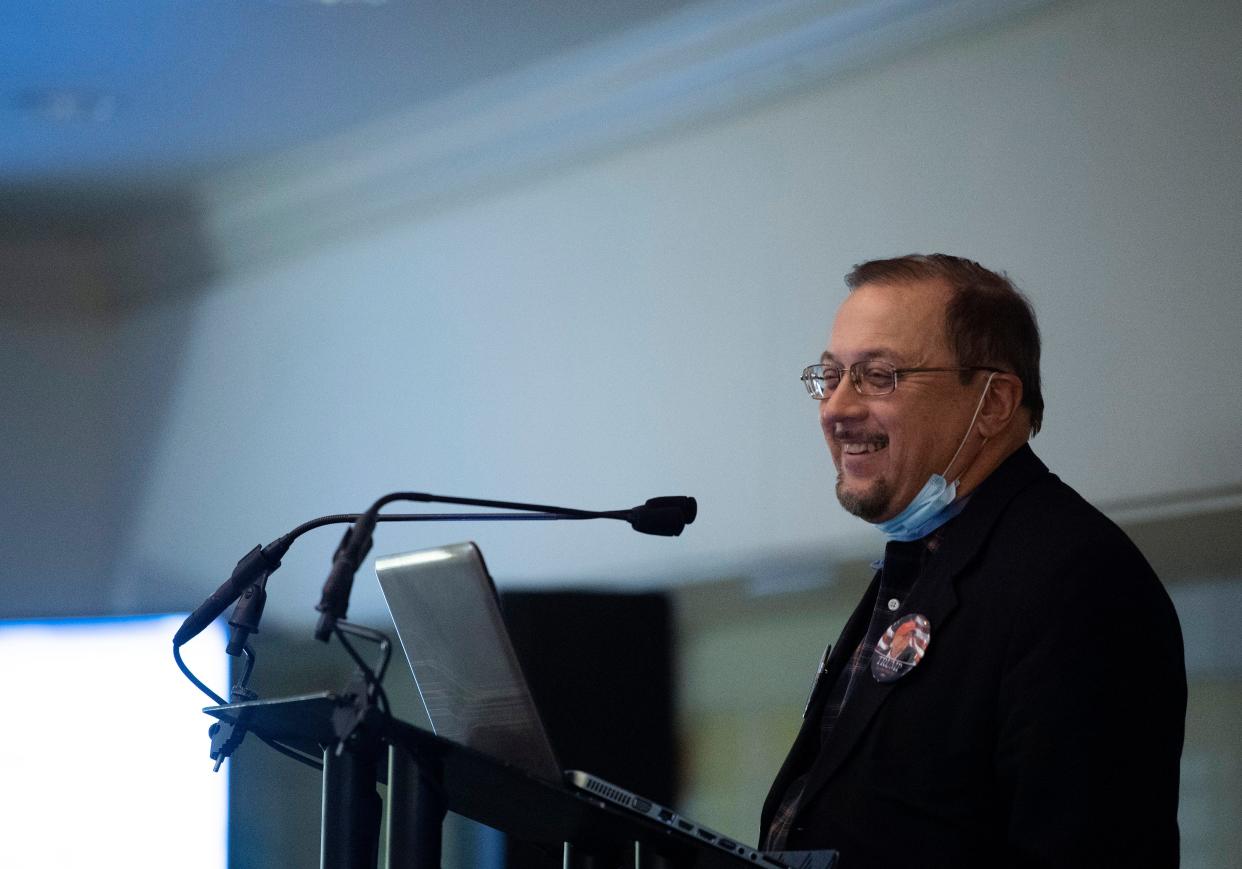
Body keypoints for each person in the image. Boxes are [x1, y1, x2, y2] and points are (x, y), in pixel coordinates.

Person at [761, 254, 1186, 868]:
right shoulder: (923, 559)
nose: (835, 408)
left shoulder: (1077, 580)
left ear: (992, 403)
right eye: (830, 378)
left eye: (878, 376)